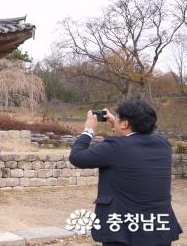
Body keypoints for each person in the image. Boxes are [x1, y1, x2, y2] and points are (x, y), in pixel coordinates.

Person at [69, 100, 183, 246]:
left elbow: (77, 157)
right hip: (157, 228)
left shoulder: (115, 147)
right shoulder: (163, 144)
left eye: (118, 118)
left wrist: (88, 130)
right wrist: (115, 124)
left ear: (125, 124)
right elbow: (131, 143)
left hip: (124, 231)